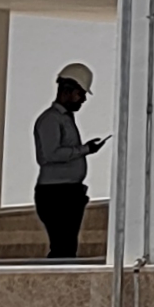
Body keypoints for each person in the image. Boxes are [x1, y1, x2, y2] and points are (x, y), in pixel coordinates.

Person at [34, 63, 107, 260]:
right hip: (56, 194)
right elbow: (50, 154)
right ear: (66, 91)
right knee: (62, 247)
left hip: (67, 192)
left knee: (66, 246)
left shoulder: (65, 119)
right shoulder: (50, 119)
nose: (83, 99)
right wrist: (85, 149)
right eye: (80, 94)